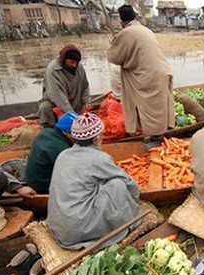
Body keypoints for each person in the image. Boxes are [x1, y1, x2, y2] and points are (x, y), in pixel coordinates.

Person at [47, 113, 141, 249]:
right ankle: (123, 225)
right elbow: (128, 182)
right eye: (102, 135)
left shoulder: (63, 155)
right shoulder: (99, 158)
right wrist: (136, 195)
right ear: (96, 138)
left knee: (101, 183)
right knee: (117, 185)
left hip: (60, 228)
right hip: (80, 229)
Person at [107, 5, 174, 138]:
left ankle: (155, 138)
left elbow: (114, 57)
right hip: (162, 72)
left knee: (150, 109)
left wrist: (112, 45)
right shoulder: (146, 30)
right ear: (135, 17)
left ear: (121, 21)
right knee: (158, 108)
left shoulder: (126, 32)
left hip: (149, 76)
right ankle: (155, 135)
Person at [25, 112, 77, 194]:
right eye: (76, 133)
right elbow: (72, 173)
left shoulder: (47, 132)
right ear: (65, 132)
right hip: (42, 186)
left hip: (32, 180)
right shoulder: (60, 148)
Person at [39, 44, 90, 127]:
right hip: (56, 101)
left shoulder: (79, 67)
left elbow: (85, 85)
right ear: (64, 59)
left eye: (76, 62)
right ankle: (50, 128)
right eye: (72, 62)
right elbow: (57, 95)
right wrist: (72, 114)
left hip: (74, 99)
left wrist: (86, 100)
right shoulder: (52, 70)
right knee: (45, 107)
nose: (74, 65)